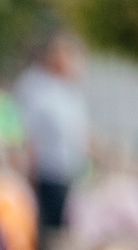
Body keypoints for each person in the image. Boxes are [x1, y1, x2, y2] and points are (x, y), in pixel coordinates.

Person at [13, 35, 89, 238]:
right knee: (47, 231)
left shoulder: (70, 91)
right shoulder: (36, 87)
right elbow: (28, 134)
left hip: (69, 172)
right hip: (46, 172)